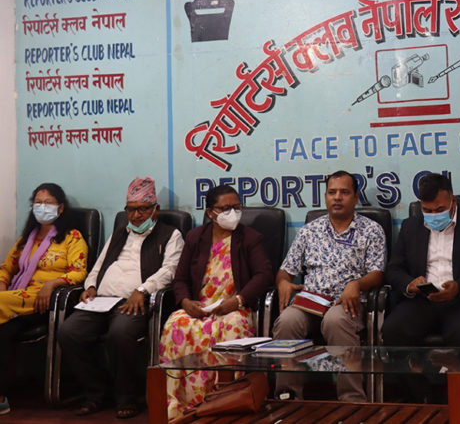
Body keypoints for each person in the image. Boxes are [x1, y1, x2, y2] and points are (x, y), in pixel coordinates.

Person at [58, 177, 184, 419]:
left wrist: (143, 290)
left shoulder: (171, 235)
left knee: (120, 334)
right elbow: (99, 264)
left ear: (155, 209)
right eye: (131, 209)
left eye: (143, 209)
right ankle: (95, 392)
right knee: (69, 332)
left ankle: (126, 397)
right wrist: (91, 286)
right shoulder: (119, 232)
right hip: (101, 300)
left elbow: (170, 270)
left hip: (133, 301)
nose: (136, 215)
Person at [160, 184, 273, 419]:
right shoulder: (195, 237)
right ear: (211, 213)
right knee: (175, 325)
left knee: (232, 327)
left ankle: (228, 402)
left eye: (237, 207)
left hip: (234, 307)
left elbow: (264, 275)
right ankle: (180, 404)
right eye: (225, 209)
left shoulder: (250, 238)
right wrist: (185, 302)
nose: (233, 213)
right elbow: (180, 279)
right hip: (200, 306)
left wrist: (238, 300)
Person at [273, 170, 385, 401]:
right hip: (310, 303)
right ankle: (288, 395)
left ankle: (351, 398)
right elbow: (286, 270)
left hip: (347, 304)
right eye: (332, 192)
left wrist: (356, 284)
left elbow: (377, 273)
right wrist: (283, 282)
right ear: (325, 197)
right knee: (286, 321)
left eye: (344, 192)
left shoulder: (371, 230)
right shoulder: (309, 231)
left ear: (356, 198)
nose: (337, 197)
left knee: (335, 321)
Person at [382, 172, 460, 348]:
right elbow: (394, 269)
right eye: (427, 210)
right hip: (421, 301)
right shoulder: (411, 226)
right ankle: (417, 368)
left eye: (440, 209)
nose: (434, 215)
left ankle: (452, 368)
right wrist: (410, 284)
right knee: (393, 330)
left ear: (453, 201)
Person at [0, 183, 88, 415]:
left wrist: (52, 283)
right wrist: (2, 285)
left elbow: (79, 272)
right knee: (3, 332)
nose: (42, 207)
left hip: (45, 300)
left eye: (48, 203)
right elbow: (7, 268)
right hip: (15, 299)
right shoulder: (27, 239)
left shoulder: (71, 237)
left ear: (60, 208)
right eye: (38, 203)